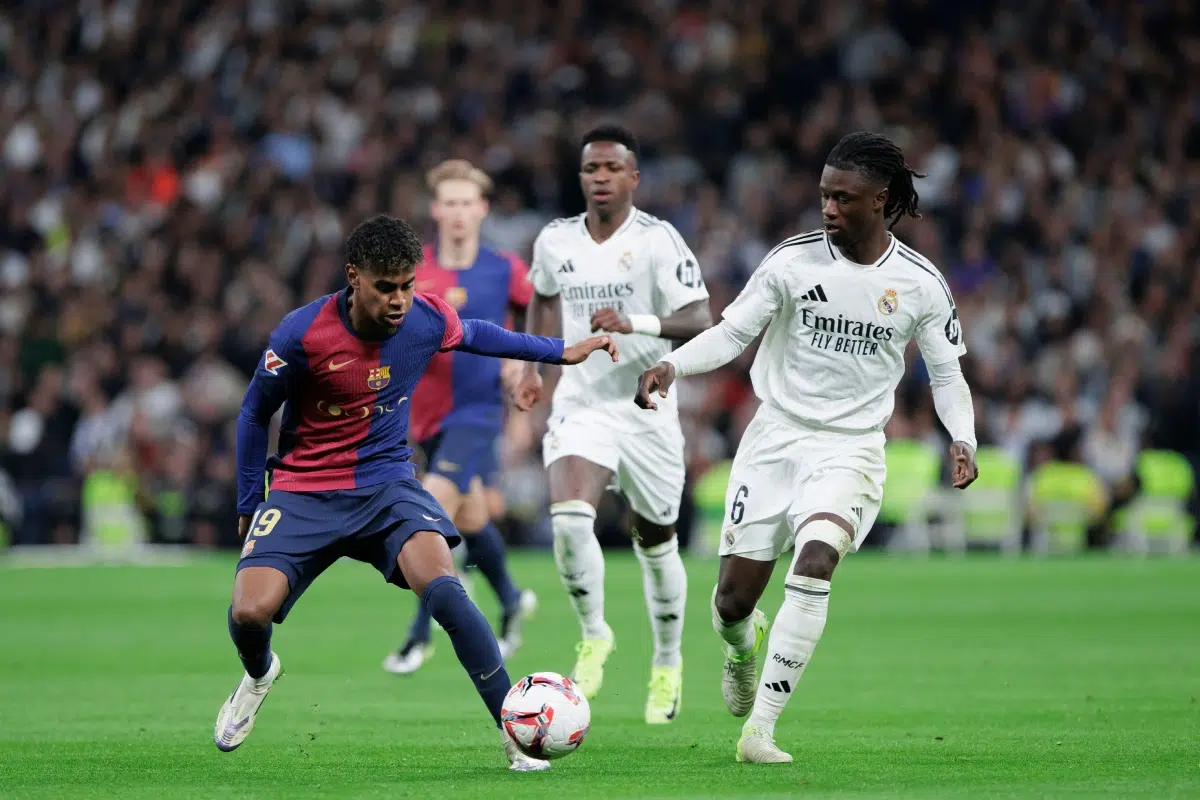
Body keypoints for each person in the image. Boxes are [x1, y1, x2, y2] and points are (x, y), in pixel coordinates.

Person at [215, 214, 617, 772]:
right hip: (303, 489)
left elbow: (479, 334)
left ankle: (512, 730)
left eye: (406, 284)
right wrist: (247, 498)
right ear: (354, 277)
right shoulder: (301, 333)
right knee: (249, 611)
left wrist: (557, 351)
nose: (400, 299)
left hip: (386, 485)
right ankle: (259, 674)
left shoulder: (425, 319)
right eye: (386, 287)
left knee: (447, 590)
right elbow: (255, 411)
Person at [635, 131, 980, 762]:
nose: (827, 208)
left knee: (816, 560)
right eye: (823, 195)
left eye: (842, 198)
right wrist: (672, 367)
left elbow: (949, 374)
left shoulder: (921, 283)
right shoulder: (791, 263)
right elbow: (731, 333)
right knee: (732, 604)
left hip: (849, 449)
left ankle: (759, 730)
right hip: (774, 439)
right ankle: (742, 648)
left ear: (880, 201)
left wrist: (963, 437)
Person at [516, 124, 713, 723]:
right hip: (582, 402)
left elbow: (702, 317)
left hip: (646, 407)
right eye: (590, 169)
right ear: (580, 177)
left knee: (656, 545)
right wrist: (534, 364)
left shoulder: (659, 240)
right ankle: (595, 634)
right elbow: (542, 297)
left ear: (632, 177)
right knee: (571, 519)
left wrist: (637, 324)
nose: (599, 178)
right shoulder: (554, 240)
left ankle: (667, 663)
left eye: (610, 168)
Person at [383, 160, 537, 676]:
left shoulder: (505, 269)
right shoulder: (417, 271)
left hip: (476, 413)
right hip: (422, 417)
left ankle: (417, 637)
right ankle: (512, 599)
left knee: (427, 511)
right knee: (471, 517)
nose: (457, 212)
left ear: (482, 209)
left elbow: (539, 313)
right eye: (448, 202)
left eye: (466, 202)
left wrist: (522, 367)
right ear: (435, 209)